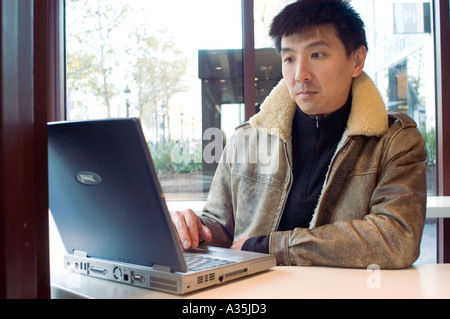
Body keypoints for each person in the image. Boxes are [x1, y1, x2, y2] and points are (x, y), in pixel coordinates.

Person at [171, 0, 427, 269]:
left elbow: (397, 238)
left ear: (357, 60)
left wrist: (271, 247)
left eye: (317, 55)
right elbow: (220, 227)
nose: (300, 74)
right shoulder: (247, 139)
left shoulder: (394, 140)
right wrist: (193, 230)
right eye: (289, 58)